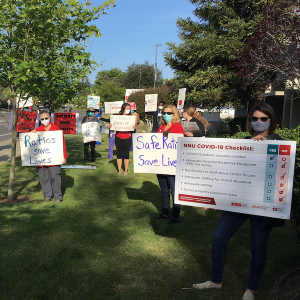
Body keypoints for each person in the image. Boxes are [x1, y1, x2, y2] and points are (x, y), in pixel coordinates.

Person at [193, 102, 284, 300]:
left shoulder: (280, 143)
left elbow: (282, 175)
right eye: (255, 119)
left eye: (263, 119)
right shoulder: (244, 141)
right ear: (249, 121)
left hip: (262, 206)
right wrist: (217, 198)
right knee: (218, 238)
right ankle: (215, 281)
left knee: (258, 247)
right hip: (238, 203)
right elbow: (230, 172)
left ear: (271, 120)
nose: (259, 122)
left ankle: (251, 289)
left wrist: (266, 145)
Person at [157, 105, 184, 224]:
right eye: (164, 113)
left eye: (168, 113)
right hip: (160, 163)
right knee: (163, 189)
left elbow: (180, 142)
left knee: (174, 190)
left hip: (172, 164)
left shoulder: (177, 127)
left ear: (174, 115)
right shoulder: (161, 127)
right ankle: (165, 212)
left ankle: (175, 215)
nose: (165, 115)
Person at [32, 110, 68, 203]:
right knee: (44, 177)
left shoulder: (56, 130)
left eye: (46, 118)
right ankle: (47, 195)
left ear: (50, 118)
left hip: (54, 158)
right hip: (41, 159)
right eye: (42, 119)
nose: (44, 120)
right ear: (40, 120)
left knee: (55, 177)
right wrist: (32, 134)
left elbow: (62, 144)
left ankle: (58, 197)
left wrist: (64, 156)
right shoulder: (38, 130)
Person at [109, 103, 136, 175]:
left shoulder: (131, 118)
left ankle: (126, 170)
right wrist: (111, 126)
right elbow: (113, 126)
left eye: (129, 109)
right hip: (118, 137)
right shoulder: (117, 117)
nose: (128, 110)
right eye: (127, 108)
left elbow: (134, 129)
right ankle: (119, 170)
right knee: (119, 154)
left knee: (126, 153)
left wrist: (134, 128)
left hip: (128, 137)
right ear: (123, 109)